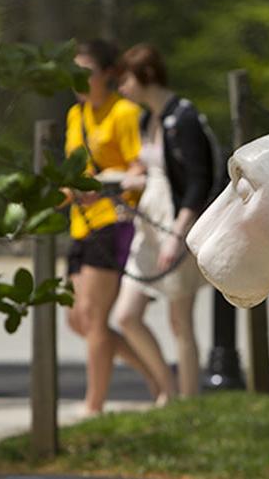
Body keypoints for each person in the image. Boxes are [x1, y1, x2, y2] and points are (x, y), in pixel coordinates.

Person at [115, 43, 214, 401]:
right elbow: (155, 169)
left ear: (147, 76)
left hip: (176, 225)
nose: (122, 88)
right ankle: (166, 388)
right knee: (126, 315)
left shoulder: (183, 118)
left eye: (125, 79)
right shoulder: (147, 119)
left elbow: (199, 181)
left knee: (179, 321)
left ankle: (187, 401)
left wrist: (178, 234)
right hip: (148, 226)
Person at [65, 39, 158, 415]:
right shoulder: (76, 114)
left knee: (94, 315)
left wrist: (106, 184)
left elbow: (140, 167)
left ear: (107, 74)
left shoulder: (124, 112)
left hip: (113, 220)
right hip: (80, 223)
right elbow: (75, 170)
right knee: (78, 319)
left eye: (85, 71)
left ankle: (93, 406)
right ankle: (156, 376)